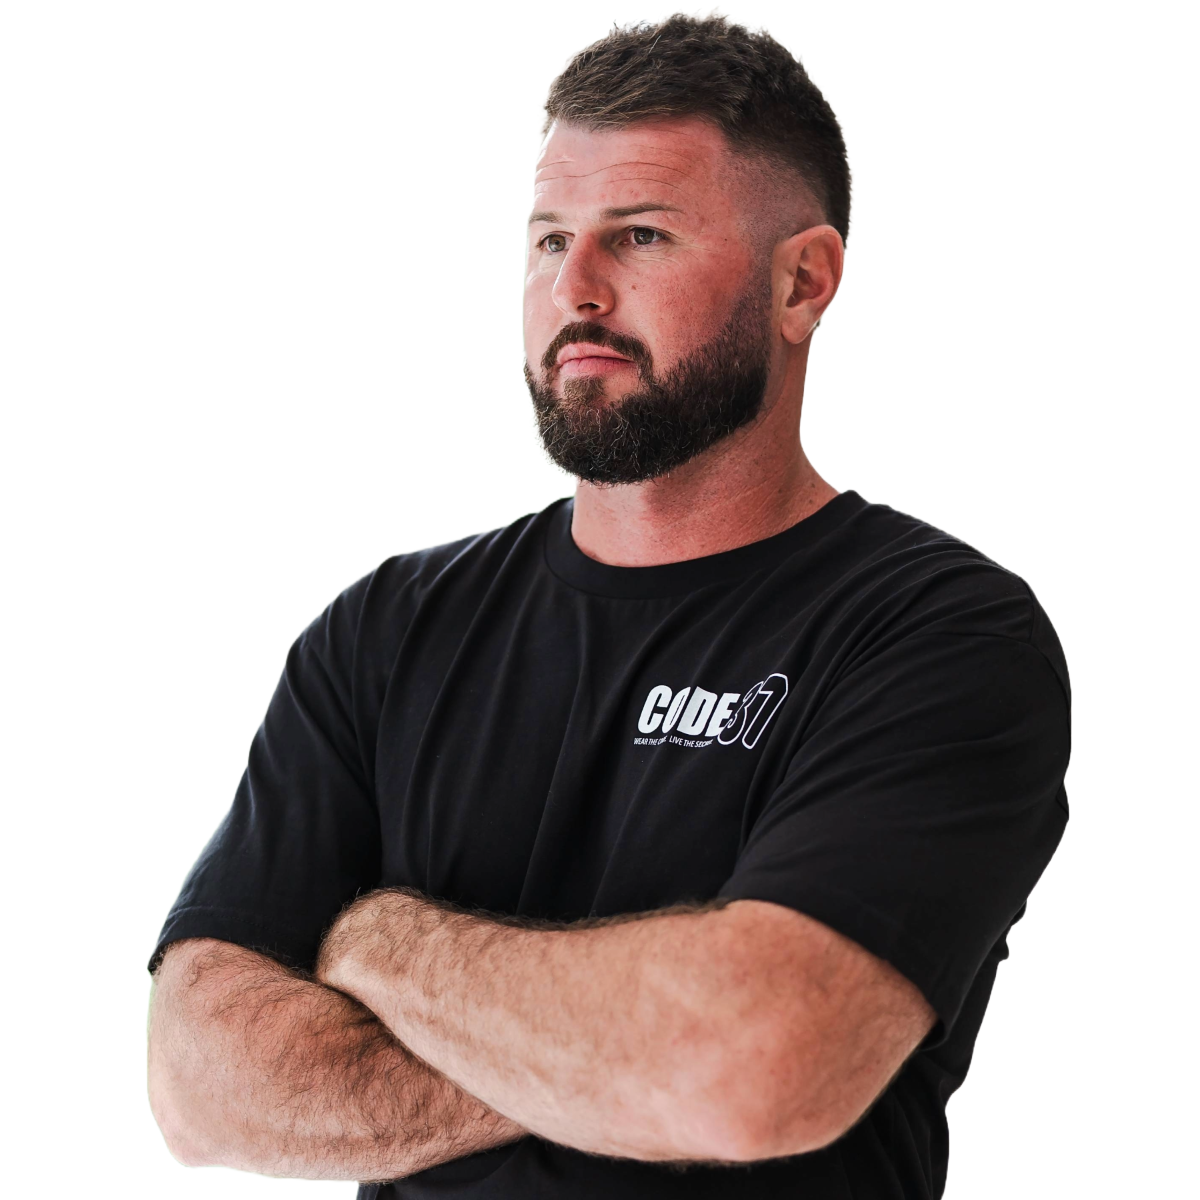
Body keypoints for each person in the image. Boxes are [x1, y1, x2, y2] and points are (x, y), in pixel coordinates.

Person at [147, 15, 1070, 1200]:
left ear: (804, 282)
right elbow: (198, 1083)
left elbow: (750, 1069)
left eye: (638, 235)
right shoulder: (385, 632)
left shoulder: (936, 636)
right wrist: (612, 1061)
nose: (573, 289)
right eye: (546, 241)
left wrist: (382, 945)